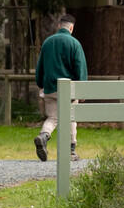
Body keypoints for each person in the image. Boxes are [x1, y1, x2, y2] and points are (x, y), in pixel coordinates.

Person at [34, 13, 88, 162]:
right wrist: (81, 91)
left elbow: (40, 68)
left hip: (50, 88)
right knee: (71, 118)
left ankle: (43, 135)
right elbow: (80, 68)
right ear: (71, 28)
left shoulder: (47, 43)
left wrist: (41, 84)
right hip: (68, 90)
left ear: (59, 26)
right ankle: (70, 151)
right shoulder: (74, 44)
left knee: (52, 117)